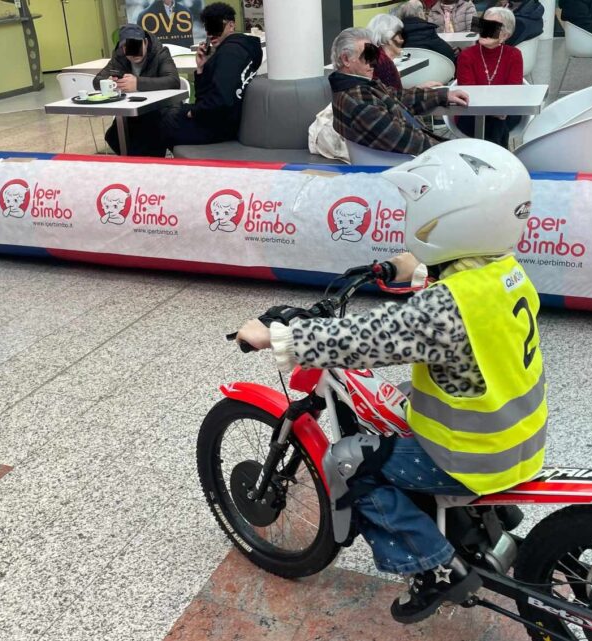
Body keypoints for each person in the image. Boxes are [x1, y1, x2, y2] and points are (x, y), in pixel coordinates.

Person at [234, 138, 546, 624]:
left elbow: (361, 339)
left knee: (348, 462)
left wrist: (276, 335)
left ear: (447, 216)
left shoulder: (444, 308)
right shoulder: (504, 270)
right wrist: (415, 264)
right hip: (518, 433)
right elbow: (462, 290)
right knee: (397, 401)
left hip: (472, 451)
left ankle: (432, 569)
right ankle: (471, 520)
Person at [328, 28, 469, 155]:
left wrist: (442, 95)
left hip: (407, 156)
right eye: (367, 56)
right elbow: (405, 138)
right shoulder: (358, 101)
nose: (373, 63)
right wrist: (452, 150)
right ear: (346, 59)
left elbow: (398, 96)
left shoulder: (358, 86)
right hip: (405, 165)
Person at [159, 2, 263, 149]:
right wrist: (202, 68)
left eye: (215, 26)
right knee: (166, 114)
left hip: (219, 126)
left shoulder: (230, 54)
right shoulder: (241, 49)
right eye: (208, 28)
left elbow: (221, 100)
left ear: (231, 25)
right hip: (222, 120)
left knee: (159, 122)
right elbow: (207, 96)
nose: (210, 34)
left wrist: (193, 112)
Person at [93, 24, 180, 157]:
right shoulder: (119, 57)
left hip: (161, 108)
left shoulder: (160, 53)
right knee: (113, 136)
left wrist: (138, 83)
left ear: (145, 42)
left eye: (137, 46)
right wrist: (109, 81)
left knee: (147, 134)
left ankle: (143, 163)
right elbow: (97, 80)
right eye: (128, 47)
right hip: (132, 109)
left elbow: (173, 81)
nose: (133, 53)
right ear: (122, 48)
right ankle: (136, 162)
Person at [455, 8, 523, 147]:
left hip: (506, 111)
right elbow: (469, 93)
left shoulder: (514, 55)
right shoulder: (466, 55)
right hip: (471, 113)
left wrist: (499, 110)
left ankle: (489, 160)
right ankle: (500, 160)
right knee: (495, 124)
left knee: (497, 122)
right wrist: (493, 111)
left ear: (505, 35)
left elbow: (514, 91)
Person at [396, 0, 457, 64]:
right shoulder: (427, 29)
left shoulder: (396, 34)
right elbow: (449, 54)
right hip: (432, 70)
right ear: (421, 13)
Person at [367, 13, 408, 90]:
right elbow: (395, 97)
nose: (402, 39)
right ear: (389, 39)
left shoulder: (374, 56)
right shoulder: (384, 63)